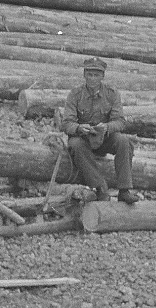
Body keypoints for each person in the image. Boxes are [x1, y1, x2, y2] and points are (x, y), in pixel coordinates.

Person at [58, 57, 138, 205]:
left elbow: (120, 121)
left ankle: (124, 190)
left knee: (124, 141)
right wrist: (79, 128)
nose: (92, 79)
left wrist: (107, 127)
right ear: (84, 75)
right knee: (75, 145)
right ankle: (100, 188)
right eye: (89, 75)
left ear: (102, 76)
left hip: (105, 138)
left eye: (96, 75)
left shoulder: (112, 93)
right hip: (83, 140)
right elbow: (66, 123)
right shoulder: (75, 94)